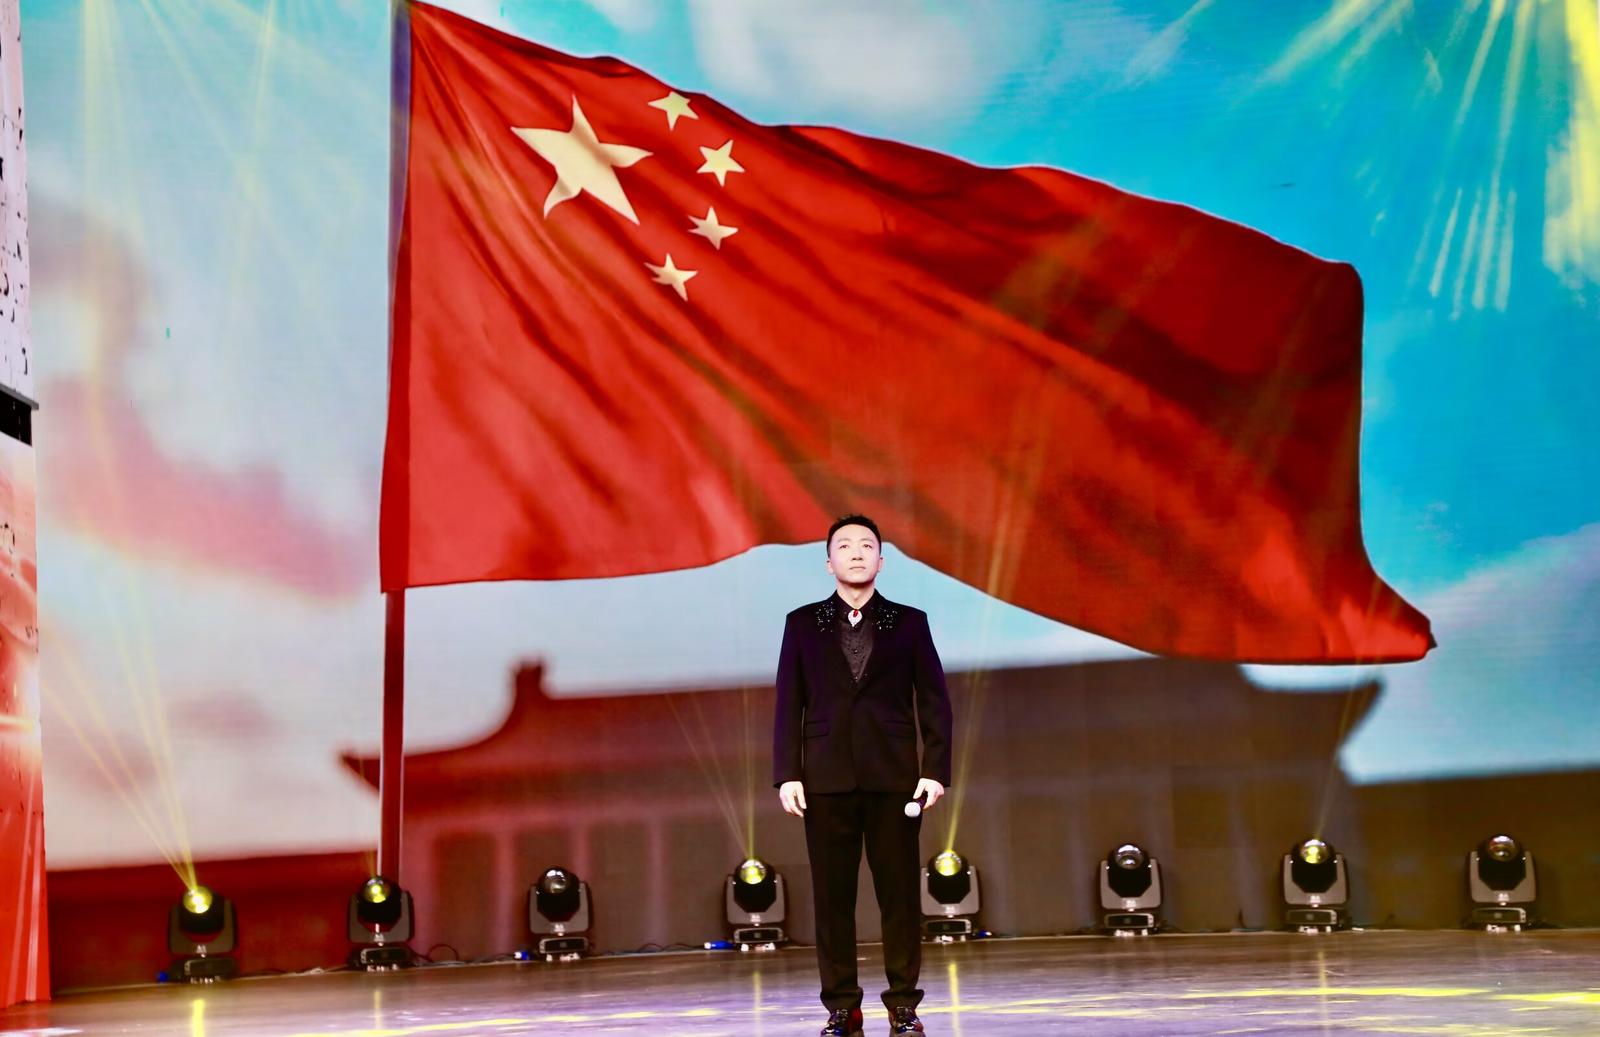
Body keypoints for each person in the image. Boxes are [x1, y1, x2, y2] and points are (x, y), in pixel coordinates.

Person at [773, 514, 954, 1037]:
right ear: (828, 562)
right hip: (825, 781)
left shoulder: (910, 622)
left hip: (894, 780)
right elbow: (788, 702)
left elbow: (934, 701)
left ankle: (903, 1005)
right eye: (845, 546)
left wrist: (934, 770)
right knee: (833, 902)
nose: (856, 552)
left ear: (881, 560)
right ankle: (842, 1008)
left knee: (900, 899)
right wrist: (787, 773)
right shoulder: (802, 624)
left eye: (866, 545)